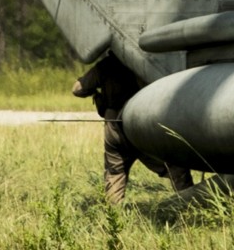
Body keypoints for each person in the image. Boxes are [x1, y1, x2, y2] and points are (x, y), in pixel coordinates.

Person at [73, 53, 192, 203]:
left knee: (115, 172)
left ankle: (113, 217)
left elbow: (77, 89)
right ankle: (189, 204)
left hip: (113, 124)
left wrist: (96, 92)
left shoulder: (105, 65)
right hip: (141, 123)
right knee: (174, 167)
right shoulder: (144, 61)